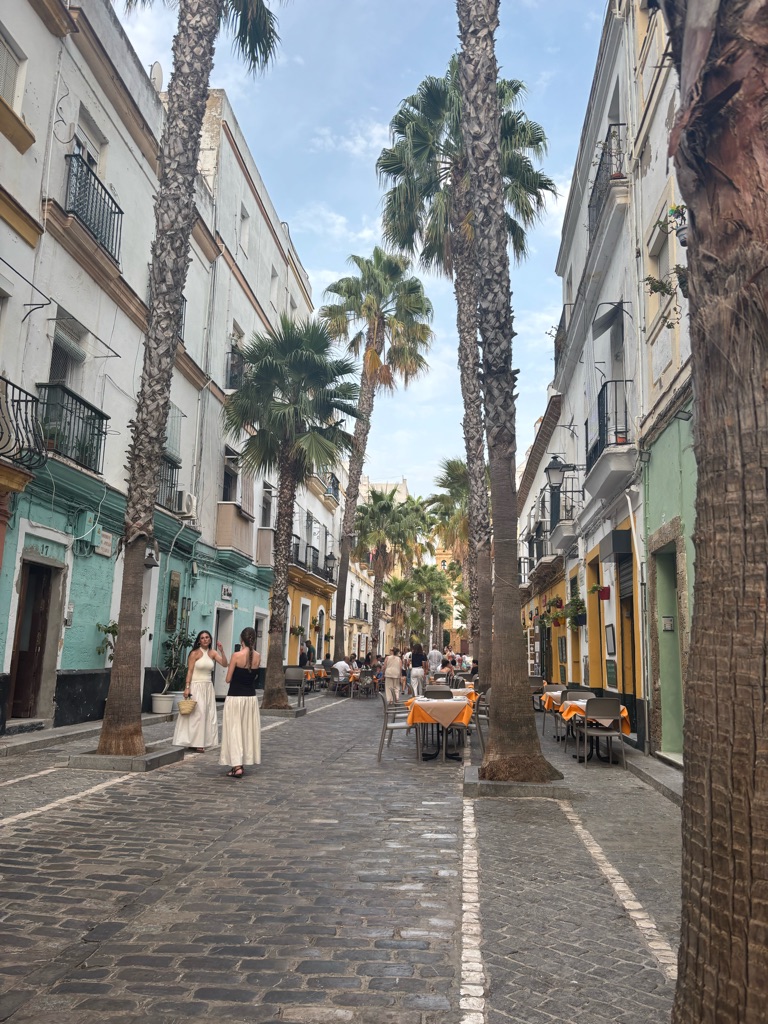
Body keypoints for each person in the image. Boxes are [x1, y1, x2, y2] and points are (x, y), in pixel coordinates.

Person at [173, 630, 228, 753]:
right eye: (202, 638)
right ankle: (195, 742)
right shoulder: (194, 653)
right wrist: (187, 687)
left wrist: (222, 651)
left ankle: (201, 741)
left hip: (208, 686)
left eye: (207, 637)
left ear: (210, 639)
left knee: (206, 714)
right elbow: (190, 671)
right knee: (197, 714)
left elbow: (225, 664)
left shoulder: (213, 653)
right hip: (196, 686)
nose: (205, 639)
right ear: (199, 640)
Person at [219, 627, 261, 779]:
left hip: (235, 697)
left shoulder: (236, 656)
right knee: (246, 731)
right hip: (250, 698)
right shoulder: (258, 656)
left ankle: (237, 766)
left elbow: (228, 679)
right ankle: (242, 761)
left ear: (241, 639)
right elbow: (254, 677)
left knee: (234, 730)